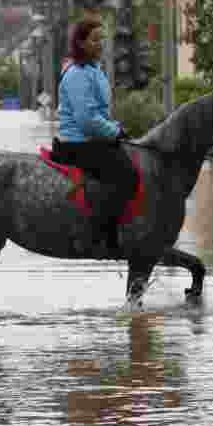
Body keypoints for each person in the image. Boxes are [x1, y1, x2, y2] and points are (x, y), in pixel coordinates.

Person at [52, 19, 137, 253]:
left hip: (90, 139)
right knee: (126, 175)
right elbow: (87, 120)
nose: (101, 44)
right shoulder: (77, 74)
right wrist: (115, 132)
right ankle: (99, 234)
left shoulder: (93, 69)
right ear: (80, 43)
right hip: (77, 143)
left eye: (103, 39)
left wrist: (116, 128)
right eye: (95, 39)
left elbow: (99, 113)